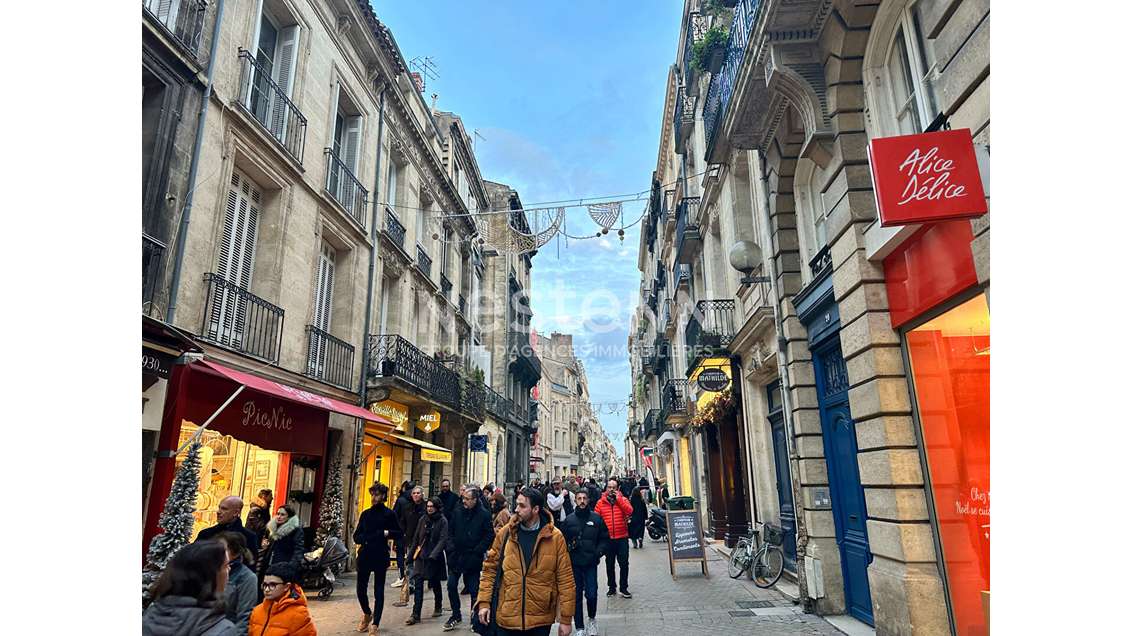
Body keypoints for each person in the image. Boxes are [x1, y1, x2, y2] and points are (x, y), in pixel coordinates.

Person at [476, 487, 576, 636]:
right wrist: (484, 603)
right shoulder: (506, 533)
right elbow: (490, 569)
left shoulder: (555, 537)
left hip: (540, 619)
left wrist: (566, 620)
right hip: (508, 616)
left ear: (535, 509)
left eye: (522, 506)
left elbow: (565, 580)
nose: (516, 509)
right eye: (517, 504)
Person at [143, 540, 238, 635]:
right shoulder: (222, 630)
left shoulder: (149, 616)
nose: (229, 569)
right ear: (210, 575)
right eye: (226, 565)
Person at [354, 482, 403, 635]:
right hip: (365, 555)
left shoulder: (389, 514)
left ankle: (375, 623)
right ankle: (367, 613)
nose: (374, 497)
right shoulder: (365, 514)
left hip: (380, 555)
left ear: (383, 496)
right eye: (373, 494)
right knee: (360, 590)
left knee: (379, 591)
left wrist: (386, 533)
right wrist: (368, 538)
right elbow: (356, 536)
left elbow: (399, 533)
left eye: (377, 494)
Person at [443, 485, 493, 631]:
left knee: (473, 589)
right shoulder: (457, 511)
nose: (464, 501)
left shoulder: (484, 514)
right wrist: (450, 547)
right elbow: (450, 531)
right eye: (463, 498)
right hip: (456, 556)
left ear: (475, 500)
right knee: (451, 585)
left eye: (467, 499)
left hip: (472, 557)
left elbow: (489, 534)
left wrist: (478, 550)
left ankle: (474, 617)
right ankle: (456, 615)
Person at [560, 490, 608, 636]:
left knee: (592, 594)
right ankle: (579, 627)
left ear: (588, 500)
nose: (582, 501)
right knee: (576, 596)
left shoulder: (596, 518)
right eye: (579, 498)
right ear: (575, 501)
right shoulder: (569, 520)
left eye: (584, 498)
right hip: (574, 564)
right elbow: (562, 541)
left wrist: (598, 552)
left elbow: (604, 538)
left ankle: (592, 620)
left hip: (590, 563)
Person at [406, 497, 449, 625]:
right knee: (418, 584)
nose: (429, 509)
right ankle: (415, 614)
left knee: (435, 582)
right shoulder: (423, 519)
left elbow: (443, 539)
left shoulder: (442, 521)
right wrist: (410, 556)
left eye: (432, 506)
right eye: (428, 506)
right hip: (421, 557)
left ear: (437, 507)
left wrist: (434, 554)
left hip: (434, 558)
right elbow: (416, 539)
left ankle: (438, 605)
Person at [248, 563, 317, 635]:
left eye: (272, 585)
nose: (267, 589)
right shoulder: (257, 611)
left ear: (287, 586)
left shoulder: (298, 615)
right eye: (265, 585)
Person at [593, 478, 633, 598]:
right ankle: (611, 587)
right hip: (608, 539)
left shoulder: (623, 500)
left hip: (622, 537)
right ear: (606, 488)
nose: (611, 490)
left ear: (617, 488)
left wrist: (619, 500)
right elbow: (596, 519)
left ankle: (624, 588)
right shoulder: (600, 502)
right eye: (609, 487)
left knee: (624, 564)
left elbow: (630, 511)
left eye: (614, 488)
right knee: (609, 564)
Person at [195, 496, 260, 567]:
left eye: (224, 509)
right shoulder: (205, 534)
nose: (218, 512)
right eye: (219, 508)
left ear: (236, 512)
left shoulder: (249, 537)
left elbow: (251, 566)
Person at [216, 532, 258, 634]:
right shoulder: (210, 569)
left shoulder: (247, 578)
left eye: (222, 549)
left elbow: (245, 618)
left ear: (235, 553)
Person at [393, 486, 426, 607]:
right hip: (410, 539)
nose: (416, 495)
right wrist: (401, 536)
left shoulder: (426, 508)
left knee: (420, 562)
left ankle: (420, 581)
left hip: (422, 540)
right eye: (414, 493)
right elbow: (402, 522)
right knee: (410, 561)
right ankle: (411, 584)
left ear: (422, 494)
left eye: (418, 493)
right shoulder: (407, 507)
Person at [261, 505, 304, 576]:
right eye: (278, 514)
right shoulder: (272, 528)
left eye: (282, 514)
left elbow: (298, 550)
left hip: (283, 567)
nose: (279, 517)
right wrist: (265, 546)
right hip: (268, 564)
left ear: (289, 517)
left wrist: (291, 567)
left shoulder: (296, 531)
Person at [391, 481, 417, 588]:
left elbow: (394, 515)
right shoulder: (416, 500)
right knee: (412, 554)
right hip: (412, 531)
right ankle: (411, 577)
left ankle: (402, 576)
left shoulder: (401, 500)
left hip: (401, 530)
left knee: (400, 554)